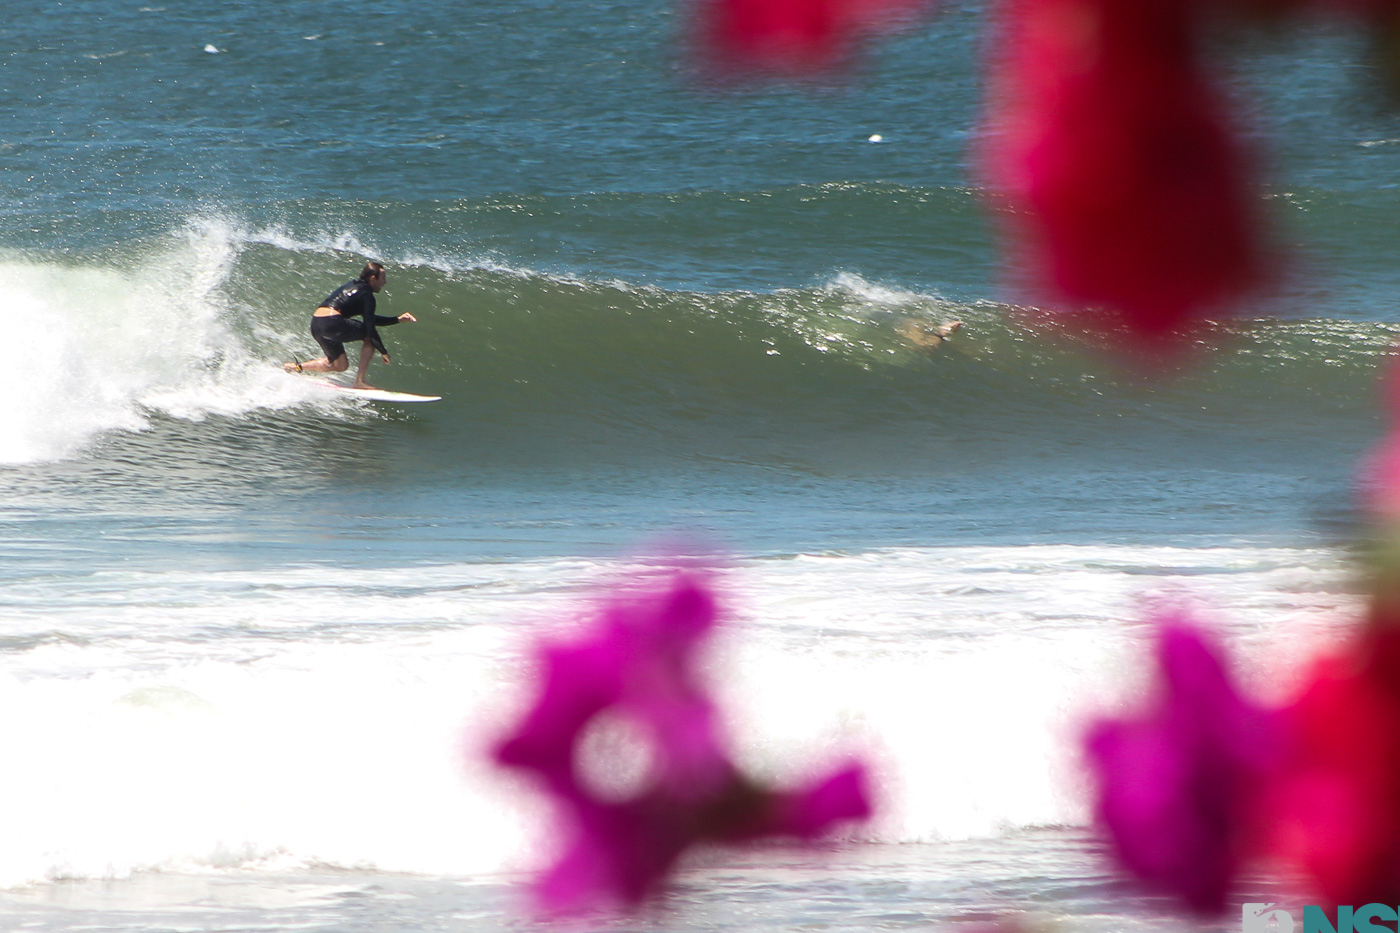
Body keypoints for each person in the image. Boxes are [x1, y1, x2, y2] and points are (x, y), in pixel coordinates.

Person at [284, 261, 418, 389]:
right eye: (383, 278)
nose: (385, 282)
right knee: (369, 338)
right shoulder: (367, 294)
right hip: (333, 321)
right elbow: (370, 328)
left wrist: (397, 319)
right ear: (373, 278)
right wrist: (383, 352)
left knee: (339, 365)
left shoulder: (353, 285)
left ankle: (296, 367)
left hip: (317, 323)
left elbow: (370, 319)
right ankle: (360, 381)